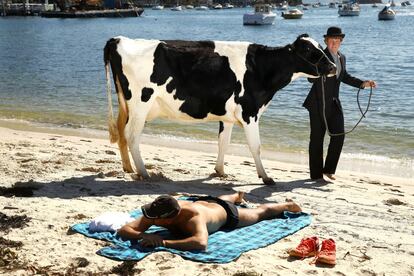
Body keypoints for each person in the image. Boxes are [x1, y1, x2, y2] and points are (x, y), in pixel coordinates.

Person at [303, 26, 377, 181]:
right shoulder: (319, 57)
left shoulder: (342, 57)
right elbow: (310, 78)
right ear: (326, 41)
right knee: (317, 138)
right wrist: (320, 71)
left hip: (334, 102)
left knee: (339, 135)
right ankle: (316, 175)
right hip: (316, 103)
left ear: (341, 42)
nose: (334, 43)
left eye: (337, 41)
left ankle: (329, 169)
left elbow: (344, 77)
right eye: (331, 40)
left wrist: (363, 84)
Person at [117, 192, 302, 251]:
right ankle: (237, 194)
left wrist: (163, 242)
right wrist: (144, 234)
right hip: (206, 202)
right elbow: (124, 229)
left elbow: (201, 243)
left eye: (155, 218)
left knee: (261, 212)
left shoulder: (193, 219)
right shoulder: (157, 213)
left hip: (226, 214)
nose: (150, 219)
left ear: (168, 218)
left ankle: (287, 205)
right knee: (217, 199)